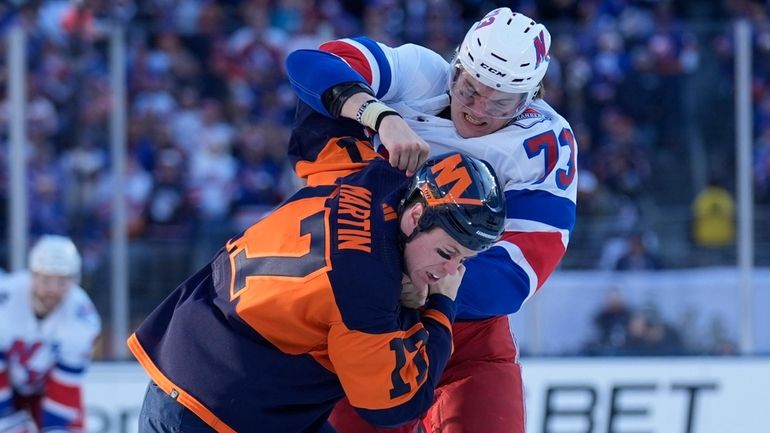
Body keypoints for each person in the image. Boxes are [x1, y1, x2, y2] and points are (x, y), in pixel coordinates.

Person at [285, 7, 577, 433]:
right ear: (455, 68)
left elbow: (519, 271)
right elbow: (309, 63)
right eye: (469, 90)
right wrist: (379, 116)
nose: (477, 110)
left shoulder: (546, 144)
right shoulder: (420, 73)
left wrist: (419, 285)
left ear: (531, 98)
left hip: (462, 322)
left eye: (500, 103)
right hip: (367, 316)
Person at [127, 137, 506, 432]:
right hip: (212, 411)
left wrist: (379, 116)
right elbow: (393, 404)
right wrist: (440, 308)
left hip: (202, 362)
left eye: (463, 260)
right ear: (417, 216)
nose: (452, 271)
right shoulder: (365, 286)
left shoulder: (371, 172)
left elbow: (313, 104)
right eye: (446, 252)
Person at [0, 235, 101, 433]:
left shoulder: (83, 318)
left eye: (62, 281)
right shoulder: (6, 298)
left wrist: (55, 427)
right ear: (33, 275)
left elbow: (66, 384)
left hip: (48, 387)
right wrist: (5, 416)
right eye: (46, 279)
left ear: (74, 281)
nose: (53, 290)